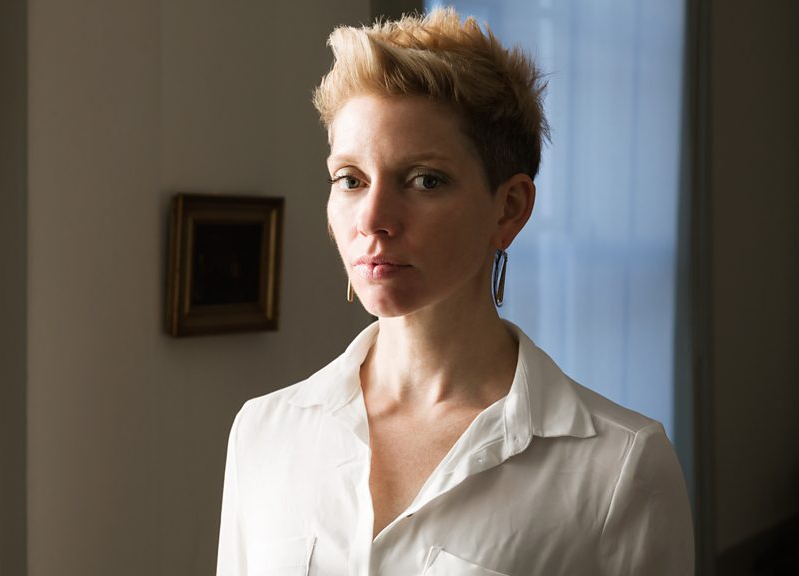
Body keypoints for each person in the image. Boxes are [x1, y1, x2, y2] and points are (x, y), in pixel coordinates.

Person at [216, 8, 694, 575]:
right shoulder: (264, 432)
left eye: (425, 180)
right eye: (350, 179)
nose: (372, 219)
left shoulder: (620, 467)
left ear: (509, 208)